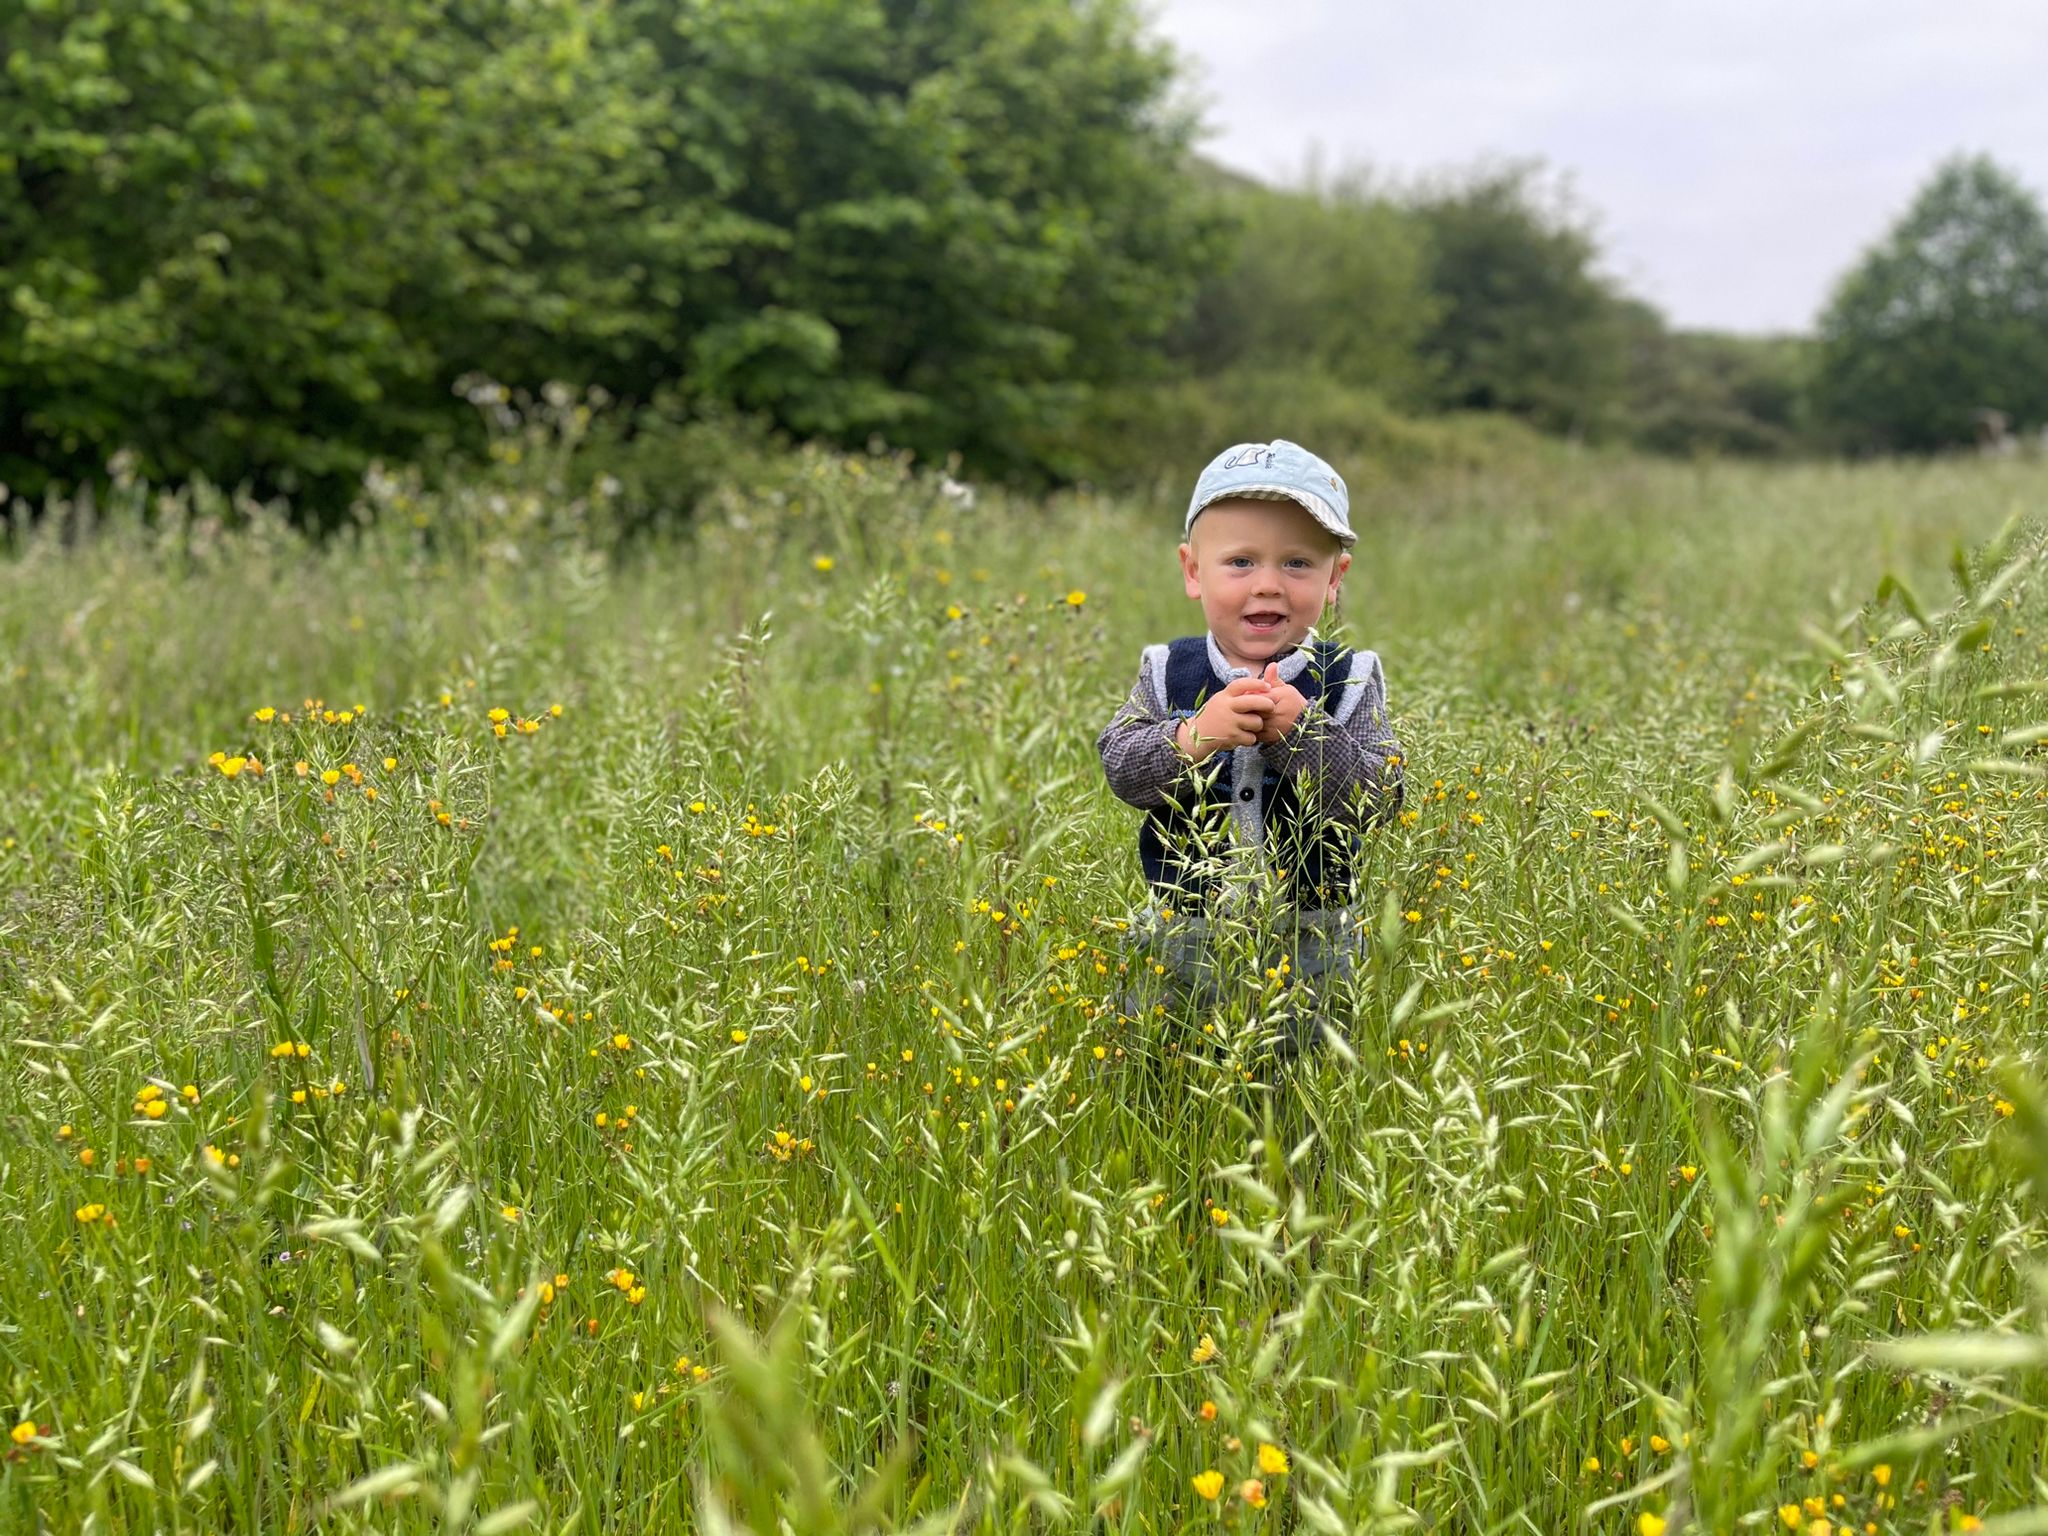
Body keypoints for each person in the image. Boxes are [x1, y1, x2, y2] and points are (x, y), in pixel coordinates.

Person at [1095, 439, 1404, 1062]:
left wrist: (1304, 735)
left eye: (1296, 563)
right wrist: (1193, 737)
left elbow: (1383, 797)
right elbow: (1122, 770)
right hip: (1182, 926)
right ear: (1192, 571)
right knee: (1162, 1068)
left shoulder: (1349, 678)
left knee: (1306, 1080)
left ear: (1334, 578)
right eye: (1240, 562)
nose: (1267, 585)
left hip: (1314, 933)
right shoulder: (1167, 672)